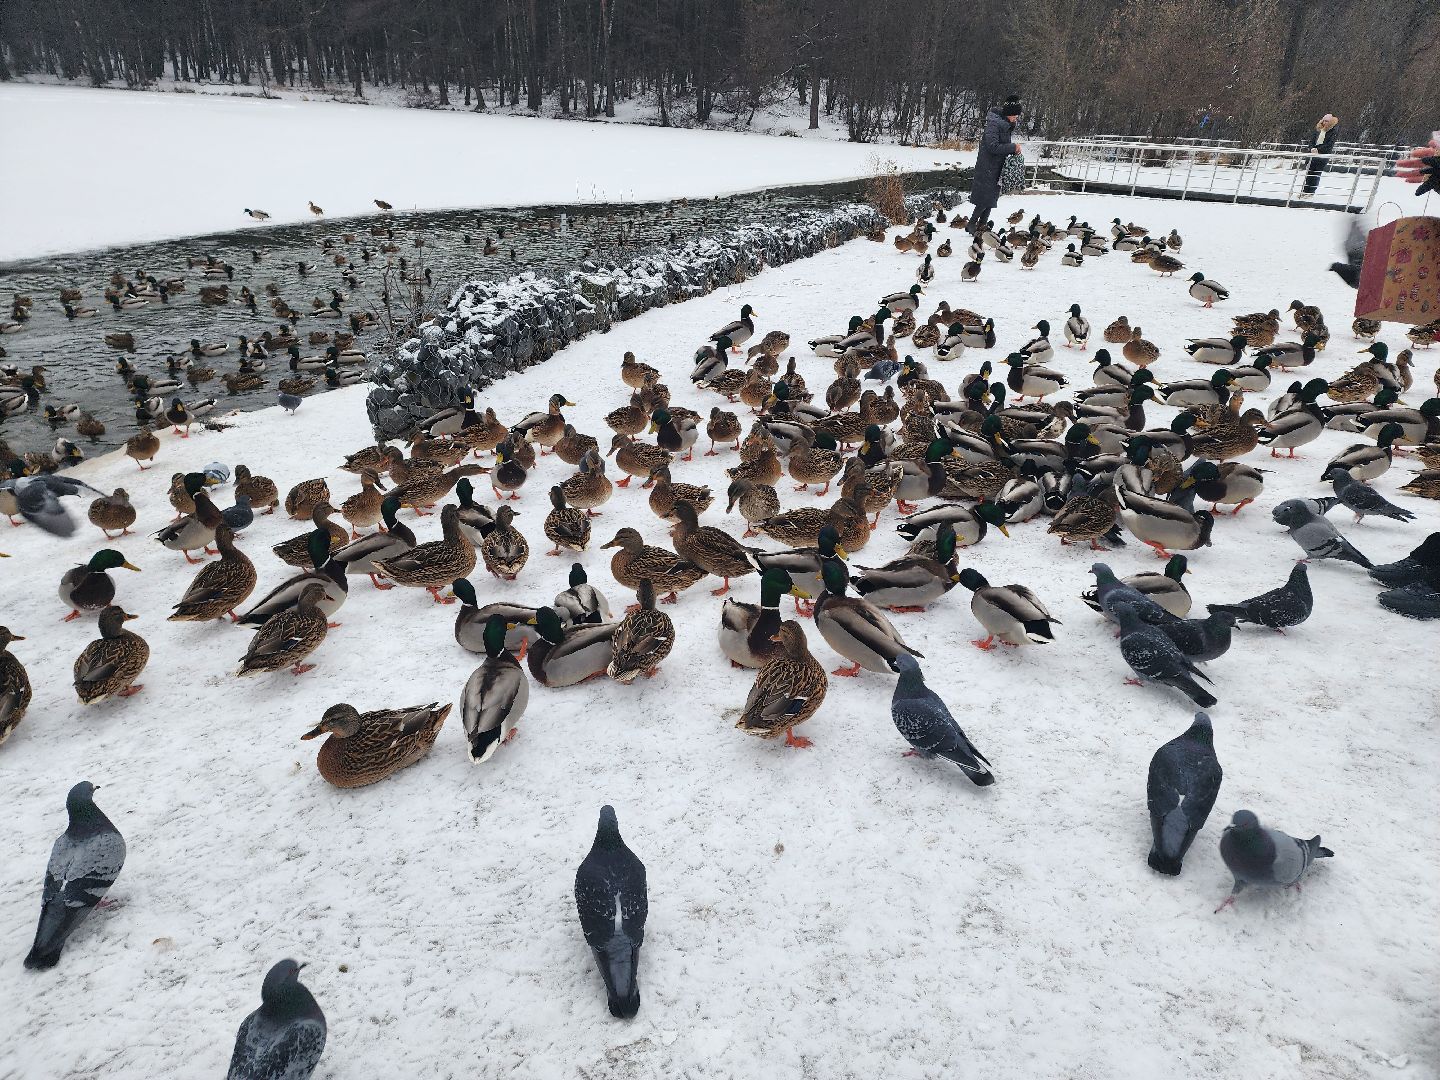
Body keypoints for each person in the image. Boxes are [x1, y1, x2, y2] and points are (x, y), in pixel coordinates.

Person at [970, 96, 1022, 235]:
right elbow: (993, 146)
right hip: (987, 166)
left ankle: (982, 224)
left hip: (996, 167)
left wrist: (1013, 150)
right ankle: (971, 224)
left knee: (991, 197)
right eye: (1015, 115)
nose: (1016, 118)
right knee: (985, 198)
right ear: (1008, 114)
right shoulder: (994, 124)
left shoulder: (1004, 125)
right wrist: (1012, 147)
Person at [1301, 114, 1339, 197]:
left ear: (1331, 122)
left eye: (1327, 121)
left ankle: (1311, 192)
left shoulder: (1333, 131)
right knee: (1309, 173)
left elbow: (1329, 145)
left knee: (1316, 174)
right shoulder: (1318, 129)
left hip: (1322, 156)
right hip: (1312, 155)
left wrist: (1318, 149)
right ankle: (1305, 191)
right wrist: (1312, 148)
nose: (1324, 122)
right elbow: (1311, 141)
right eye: (1323, 120)